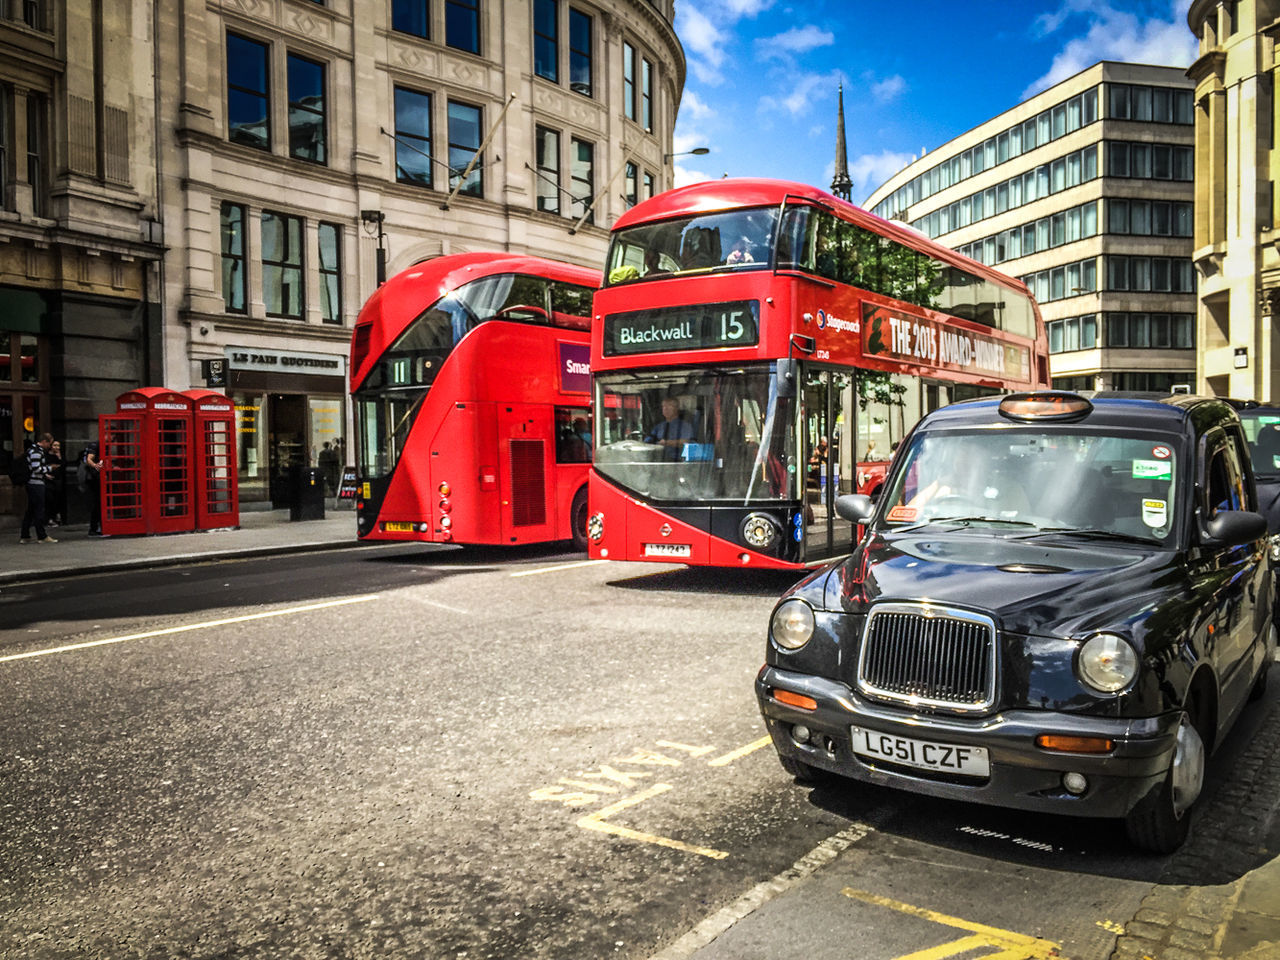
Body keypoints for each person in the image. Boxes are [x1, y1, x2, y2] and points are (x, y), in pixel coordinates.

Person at [20, 433, 57, 544]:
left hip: (34, 483)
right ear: (44, 441)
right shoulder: (36, 452)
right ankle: (42, 536)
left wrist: (45, 475)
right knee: (39, 510)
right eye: (49, 443)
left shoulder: (34, 450)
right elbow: (36, 469)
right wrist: (50, 468)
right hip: (36, 484)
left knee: (31, 510)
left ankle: (25, 535)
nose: (50, 446)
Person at [83, 440, 104, 535]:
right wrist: (96, 466)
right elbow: (89, 459)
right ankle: (94, 528)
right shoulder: (95, 445)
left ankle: (99, 527)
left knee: (100, 503)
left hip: (100, 477)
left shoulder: (103, 445)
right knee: (97, 503)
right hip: (94, 478)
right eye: (114, 436)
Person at [46, 440, 66, 526]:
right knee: (50, 499)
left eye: (58, 446)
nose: (57, 448)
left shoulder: (60, 456)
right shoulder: (46, 455)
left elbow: (63, 467)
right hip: (49, 480)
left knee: (57, 499)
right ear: (51, 446)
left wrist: (60, 458)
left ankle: (57, 517)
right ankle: (50, 518)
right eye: (55, 445)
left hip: (58, 480)